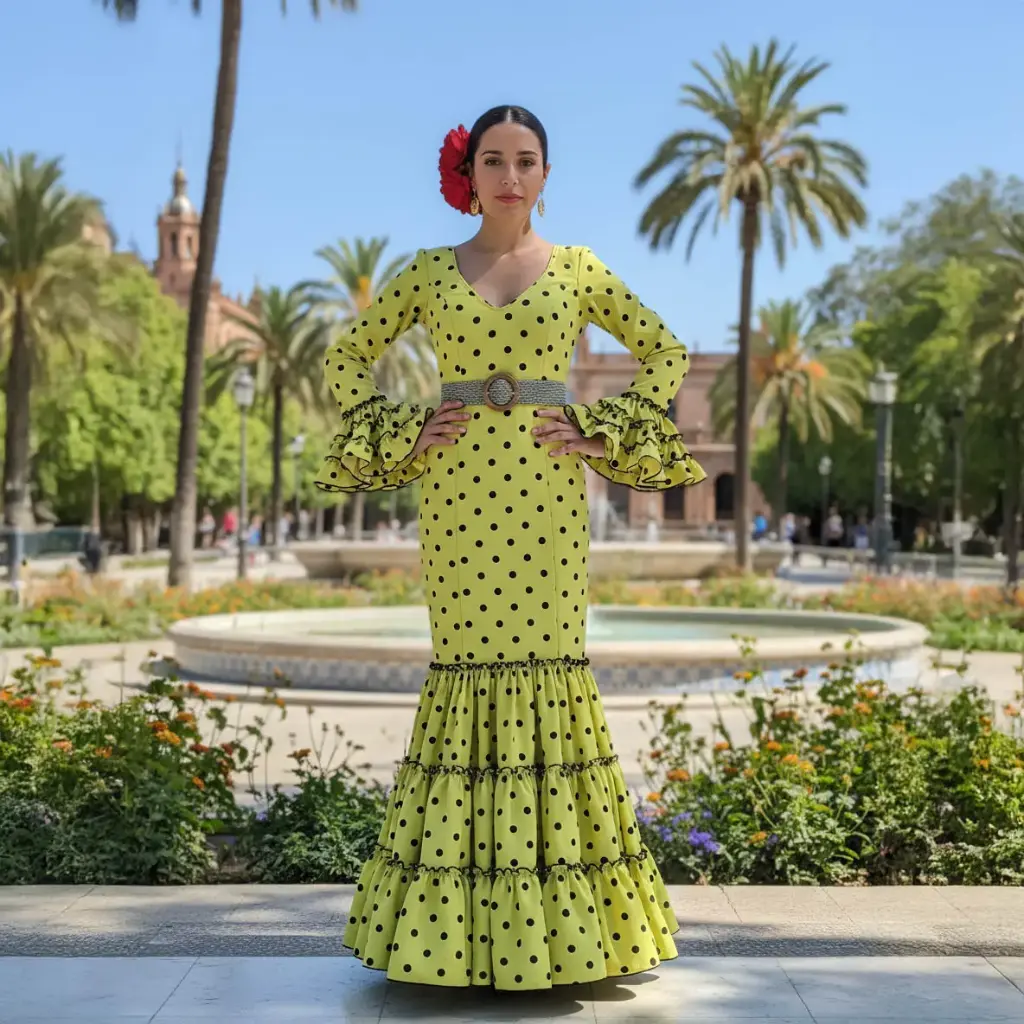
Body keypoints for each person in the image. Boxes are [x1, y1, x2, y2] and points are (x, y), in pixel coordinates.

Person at [313, 105, 707, 991]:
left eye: (527, 161)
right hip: (456, 499)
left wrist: (600, 436)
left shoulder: (577, 269)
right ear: (469, 172)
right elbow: (346, 360)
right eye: (494, 159)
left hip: (545, 501)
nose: (511, 176)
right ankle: (450, 940)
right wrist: (410, 433)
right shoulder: (425, 271)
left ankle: (566, 939)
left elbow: (665, 352)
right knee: (464, 676)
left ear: (545, 174)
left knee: (550, 670)